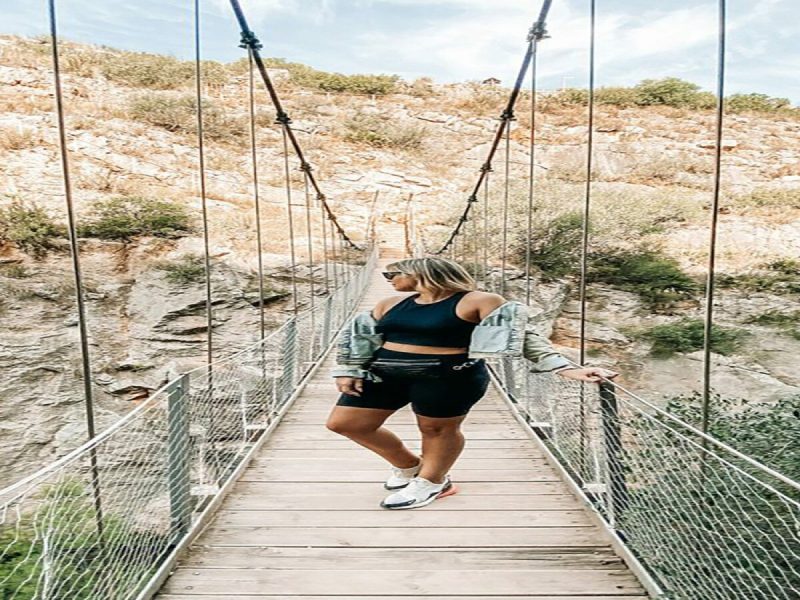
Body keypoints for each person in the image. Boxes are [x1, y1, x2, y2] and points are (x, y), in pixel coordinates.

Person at [326, 257, 618, 510]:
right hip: (385, 374)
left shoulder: (478, 300)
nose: (388, 280)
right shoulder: (389, 303)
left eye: (393, 274)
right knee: (346, 423)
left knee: (437, 429)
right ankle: (409, 466)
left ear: (421, 273)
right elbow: (362, 338)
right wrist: (348, 370)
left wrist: (565, 368)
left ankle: (433, 481)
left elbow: (522, 336)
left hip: (449, 376)